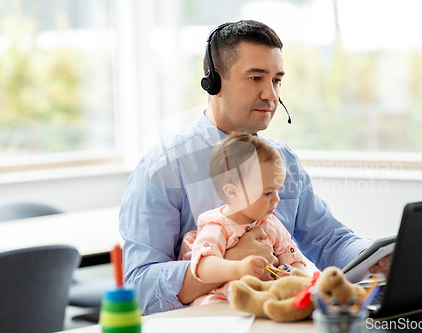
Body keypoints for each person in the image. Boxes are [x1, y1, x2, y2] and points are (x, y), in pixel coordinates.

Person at [119, 20, 389, 315]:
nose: (271, 95)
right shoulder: (162, 167)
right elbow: (140, 288)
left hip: (275, 319)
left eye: (276, 80)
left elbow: (327, 238)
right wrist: (229, 264)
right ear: (215, 82)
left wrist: (376, 257)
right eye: (256, 78)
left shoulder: (281, 158)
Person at [179, 132, 306, 306]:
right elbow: (203, 266)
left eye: (277, 191)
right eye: (268, 193)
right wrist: (239, 268)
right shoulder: (217, 226)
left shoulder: (271, 223)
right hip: (221, 303)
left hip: (264, 301)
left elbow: (294, 260)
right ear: (233, 192)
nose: (276, 199)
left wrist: (292, 276)